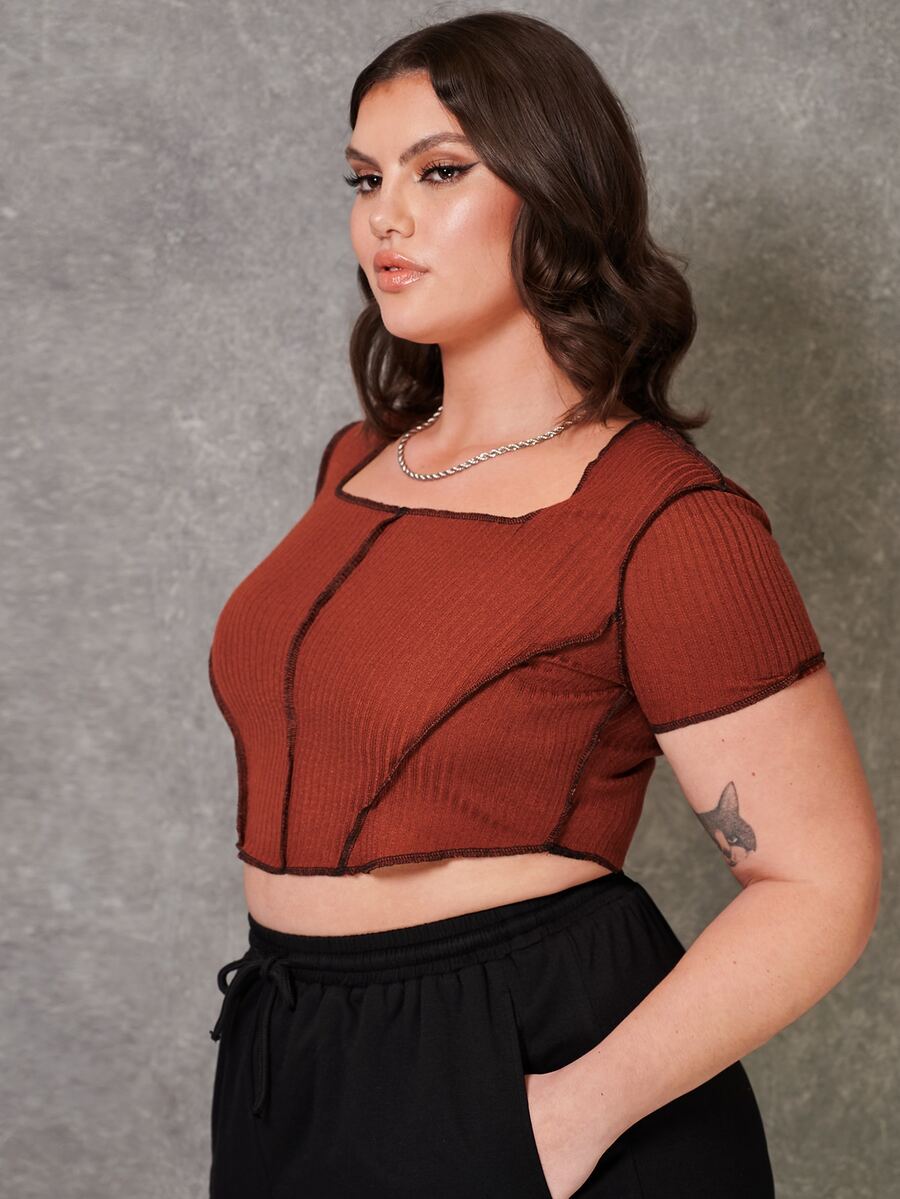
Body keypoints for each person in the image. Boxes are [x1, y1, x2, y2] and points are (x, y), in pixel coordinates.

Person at [205, 12, 881, 1199]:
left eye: (440, 171)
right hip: (290, 1046)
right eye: (365, 178)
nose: (385, 216)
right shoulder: (353, 463)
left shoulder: (667, 520)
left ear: (556, 193)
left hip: (530, 1062)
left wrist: (568, 1117)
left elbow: (821, 883)